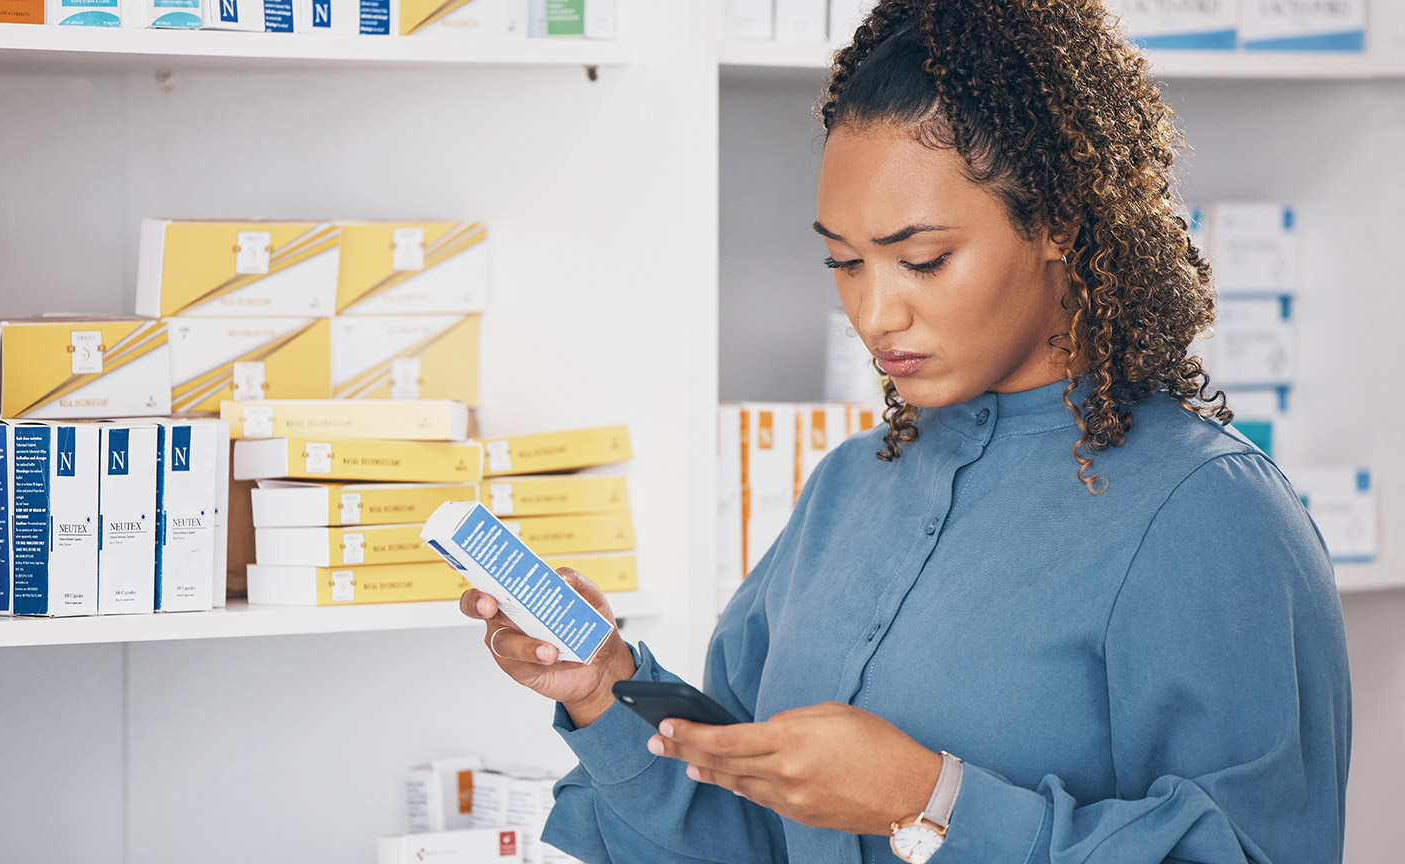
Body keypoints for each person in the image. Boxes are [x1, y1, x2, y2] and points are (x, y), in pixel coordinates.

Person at [459, 1, 1352, 861]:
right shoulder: (849, 488)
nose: (876, 313)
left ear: (1059, 223)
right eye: (844, 262)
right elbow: (754, 834)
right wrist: (603, 690)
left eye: (922, 260)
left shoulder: (1212, 515)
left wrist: (929, 800)